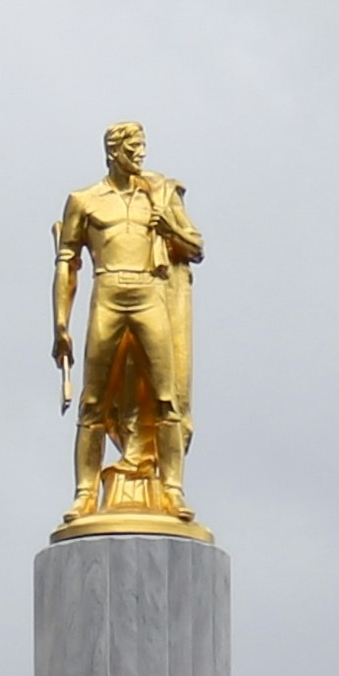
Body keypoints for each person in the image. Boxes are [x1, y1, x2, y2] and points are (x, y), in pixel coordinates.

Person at [49, 123, 203, 526]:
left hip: (149, 292)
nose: (140, 157)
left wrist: (166, 225)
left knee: (166, 397)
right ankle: (84, 494)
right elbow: (67, 261)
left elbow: (196, 247)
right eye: (133, 149)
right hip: (109, 293)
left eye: (143, 149)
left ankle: (172, 489)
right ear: (114, 152)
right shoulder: (85, 200)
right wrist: (60, 325)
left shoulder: (157, 192)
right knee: (93, 401)